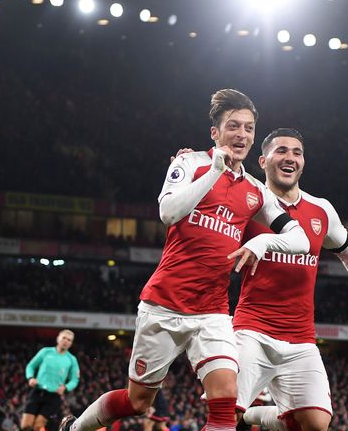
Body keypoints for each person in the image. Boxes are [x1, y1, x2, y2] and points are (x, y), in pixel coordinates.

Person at [60, 89, 310, 431]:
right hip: (164, 306)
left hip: (213, 312)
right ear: (215, 132)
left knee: (225, 400)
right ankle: (74, 429)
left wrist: (264, 243)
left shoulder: (256, 191)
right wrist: (212, 174)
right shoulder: (190, 163)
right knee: (137, 402)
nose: (242, 135)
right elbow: (168, 212)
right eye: (233, 126)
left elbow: (299, 238)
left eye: (249, 128)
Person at [230, 128, 348, 431]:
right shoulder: (249, 204)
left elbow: (346, 245)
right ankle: (243, 414)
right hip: (253, 331)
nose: (290, 157)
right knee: (225, 415)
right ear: (262, 161)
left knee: (315, 424)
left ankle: (254, 416)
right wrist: (192, 167)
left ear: (303, 162)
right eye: (281, 151)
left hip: (301, 337)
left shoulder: (320, 209)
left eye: (297, 152)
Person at [22, 329, 80, 431]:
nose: (66, 341)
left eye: (69, 340)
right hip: (37, 391)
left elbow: (75, 379)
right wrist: (30, 378)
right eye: (64, 338)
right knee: (25, 426)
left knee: (37, 427)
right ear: (58, 339)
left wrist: (66, 387)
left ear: (71, 343)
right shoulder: (45, 352)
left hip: (53, 396)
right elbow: (30, 366)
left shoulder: (71, 359)